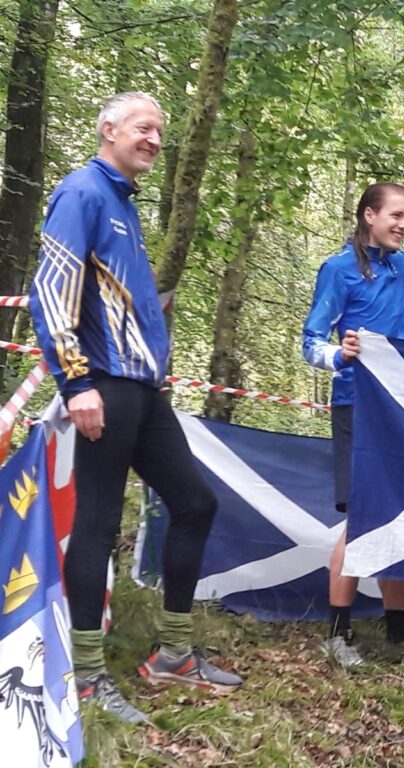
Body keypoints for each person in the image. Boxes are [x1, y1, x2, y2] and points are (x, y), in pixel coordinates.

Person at [28, 92, 241, 725]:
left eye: (159, 131)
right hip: (105, 388)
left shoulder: (121, 203)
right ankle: (88, 678)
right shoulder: (82, 193)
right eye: (143, 127)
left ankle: (173, 653)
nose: (153, 138)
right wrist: (76, 384)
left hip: (143, 392)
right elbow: (49, 294)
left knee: (196, 503)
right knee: (95, 525)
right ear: (108, 129)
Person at [302, 145, 404, 666]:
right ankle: (337, 632)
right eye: (396, 215)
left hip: (402, 410)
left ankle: (397, 630)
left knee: (401, 514)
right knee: (363, 519)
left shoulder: (399, 267)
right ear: (369, 215)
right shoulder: (339, 269)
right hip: (357, 407)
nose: (403, 225)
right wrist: (339, 354)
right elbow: (309, 342)